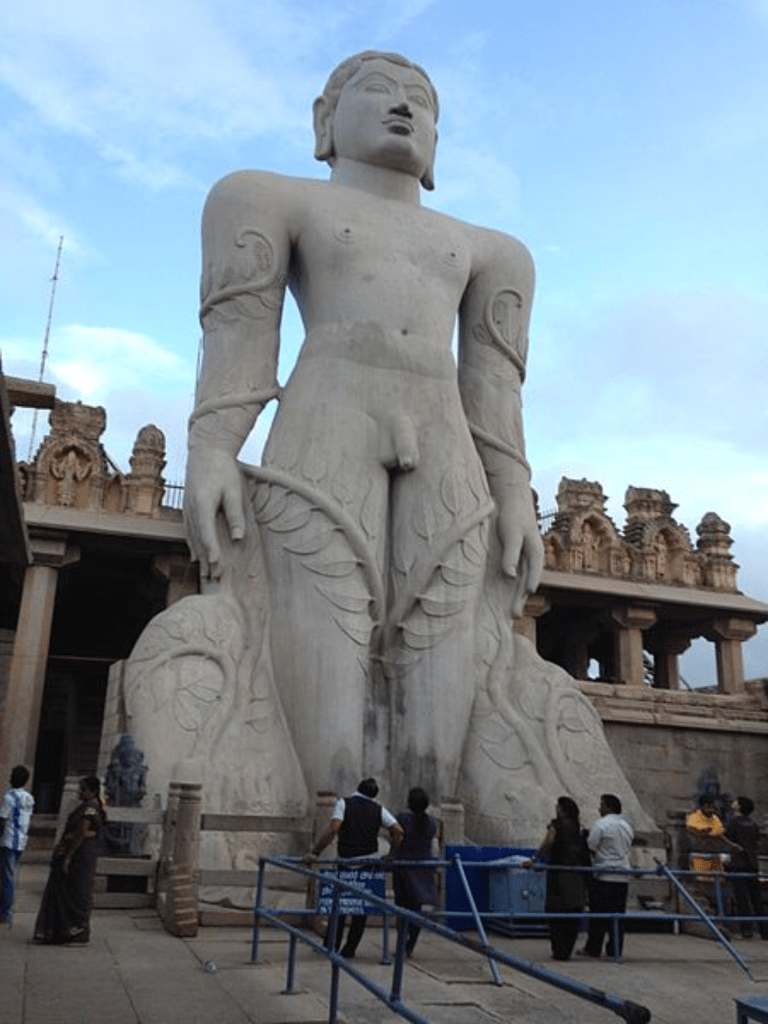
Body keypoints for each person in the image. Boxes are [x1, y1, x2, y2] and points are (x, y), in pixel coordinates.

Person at [183, 49, 544, 804]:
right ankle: (317, 818)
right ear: (325, 122)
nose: (404, 106)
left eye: (422, 101)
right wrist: (213, 447)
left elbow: (494, 389)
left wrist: (516, 492)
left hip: (443, 434)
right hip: (329, 413)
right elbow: (240, 333)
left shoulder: (494, 251)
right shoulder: (265, 197)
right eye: (379, 90)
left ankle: (434, 822)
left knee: (444, 630)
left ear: (437, 142)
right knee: (321, 619)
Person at [308, 777, 403, 958]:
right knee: (361, 909)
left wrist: (316, 852)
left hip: (345, 862)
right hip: (368, 864)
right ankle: (349, 949)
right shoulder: (379, 809)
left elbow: (333, 829)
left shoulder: (343, 804)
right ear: (374, 795)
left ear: (357, 789)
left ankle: (331, 945)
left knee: (339, 905)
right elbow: (398, 831)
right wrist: (392, 854)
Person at [34, 776, 106, 945]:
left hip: (80, 856)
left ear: (93, 791)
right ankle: (61, 931)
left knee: (78, 892)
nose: (80, 792)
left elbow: (82, 833)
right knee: (69, 891)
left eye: (84, 789)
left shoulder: (90, 809)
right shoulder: (87, 807)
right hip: (80, 853)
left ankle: (77, 930)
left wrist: (68, 857)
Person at [526, 796, 590, 960]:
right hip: (577, 876)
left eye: (557, 806)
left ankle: (558, 949)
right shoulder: (578, 828)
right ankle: (566, 950)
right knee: (573, 913)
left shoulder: (556, 825)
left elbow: (548, 841)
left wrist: (534, 859)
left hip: (558, 875)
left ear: (562, 809)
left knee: (556, 912)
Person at [579, 794, 634, 959]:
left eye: (602, 805)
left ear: (609, 807)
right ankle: (615, 949)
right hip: (623, 875)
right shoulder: (626, 826)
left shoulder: (601, 824)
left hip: (604, 875)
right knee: (618, 916)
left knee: (599, 915)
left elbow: (591, 845)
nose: (599, 808)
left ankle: (593, 948)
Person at [392, 787, 438, 957]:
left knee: (401, 909)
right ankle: (410, 946)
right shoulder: (432, 823)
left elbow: (395, 837)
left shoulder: (403, 819)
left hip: (404, 868)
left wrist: (391, 854)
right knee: (416, 909)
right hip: (422, 869)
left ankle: (401, 945)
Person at [725, 796, 768, 939]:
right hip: (752, 863)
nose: (733, 803)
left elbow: (726, 839)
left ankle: (746, 930)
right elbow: (757, 842)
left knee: (742, 898)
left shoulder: (733, 822)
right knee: (757, 899)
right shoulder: (753, 824)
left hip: (738, 863)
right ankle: (764, 930)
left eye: (736, 801)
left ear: (739, 806)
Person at [0, 765, 35, 927]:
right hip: (21, 840)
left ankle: (6, 913)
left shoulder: (9, 797)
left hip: (8, 840)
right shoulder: (29, 797)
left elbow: (2, 819)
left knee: (7, 878)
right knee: (8, 876)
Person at [686, 795, 739, 875]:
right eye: (708, 806)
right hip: (700, 856)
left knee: (719, 879)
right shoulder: (694, 817)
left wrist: (732, 845)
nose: (711, 809)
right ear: (702, 806)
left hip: (715, 856)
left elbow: (720, 834)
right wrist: (705, 831)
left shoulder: (715, 818)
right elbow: (696, 830)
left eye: (712, 807)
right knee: (702, 878)